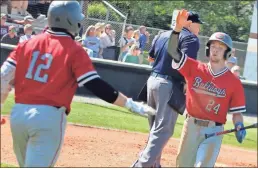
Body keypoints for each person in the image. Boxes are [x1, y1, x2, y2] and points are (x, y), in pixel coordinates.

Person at [0, 1, 155, 167]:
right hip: (48, 117)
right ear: (71, 21)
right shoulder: (74, 50)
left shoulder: (26, 43)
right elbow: (95, 85)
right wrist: (130, 104)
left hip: (18, 115)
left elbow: (3, 77)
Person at [168, 9, 246, 167]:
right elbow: (172, 51)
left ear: (227, 54)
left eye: (221, 47)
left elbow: (237, 114)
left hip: (214, 131)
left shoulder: (234, 82)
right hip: (190, 126)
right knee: (182, 165)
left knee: (202, 166)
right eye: (213, 46)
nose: (215, 49)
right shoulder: (194, 67)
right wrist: (177, 29)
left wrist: (239, 125)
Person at [132, 11, 204, 168]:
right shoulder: (191, 38)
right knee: (163, 130)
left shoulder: (162, 35)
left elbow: (151, 57)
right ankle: (142, 165)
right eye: (198, 25)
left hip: (152, 81)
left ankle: (154, 164)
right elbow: (187, 64)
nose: (199, 29)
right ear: (189, 23)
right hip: (168, 85)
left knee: (155, 130)